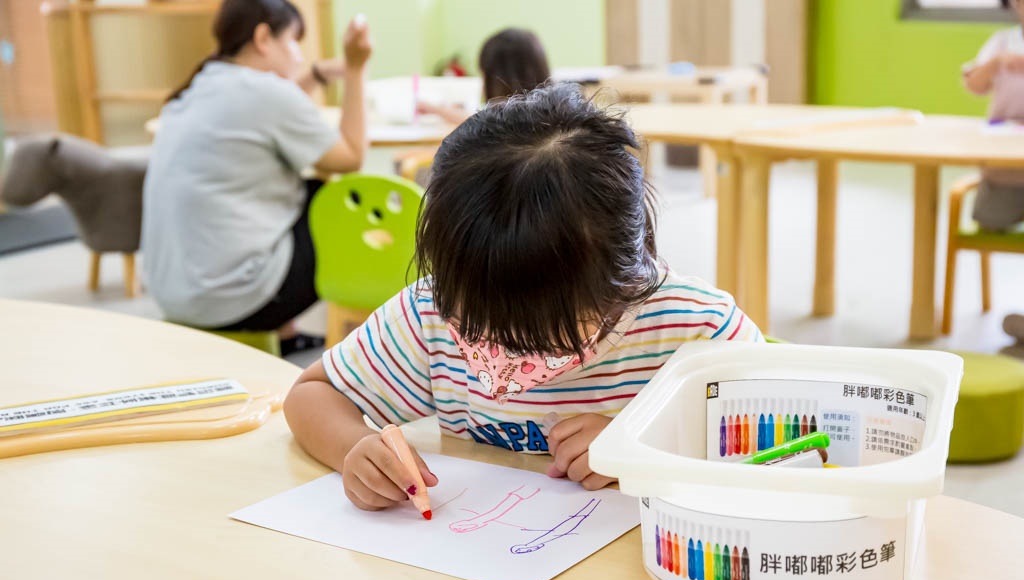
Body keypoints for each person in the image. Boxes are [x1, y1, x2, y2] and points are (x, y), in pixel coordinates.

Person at [284, 83, 762, 511]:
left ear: (619, 285)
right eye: (476, 327)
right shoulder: (434, 313)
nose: (499, 354)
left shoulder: (696, 331)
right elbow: (313, 394)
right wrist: (356, 448)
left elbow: (791, 444)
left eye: (536, 335)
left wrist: (645, 449)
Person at [142, 0, 371, 356]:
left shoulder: (199, 86)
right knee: (335, 201)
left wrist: (318, 74)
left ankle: (285, 334)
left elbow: (282, 108)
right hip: (236, 303)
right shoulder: (264, 92)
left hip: (174, 294)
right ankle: (370, 336)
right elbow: (350, 157)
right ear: (264, 37)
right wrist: (356, 71)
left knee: (295, 194)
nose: (297, 55)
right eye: (293, 41)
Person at [962, 0, 1024, 231]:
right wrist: (996, 63)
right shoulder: (1003, 42)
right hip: (1005, 167)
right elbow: (975, 85)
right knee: (989, 222)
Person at [417, 28, 550, 125]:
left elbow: (472, 120)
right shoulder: (553, 115)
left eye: (483, 75)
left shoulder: (499, 123)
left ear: (496, 79)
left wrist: (434, 108)